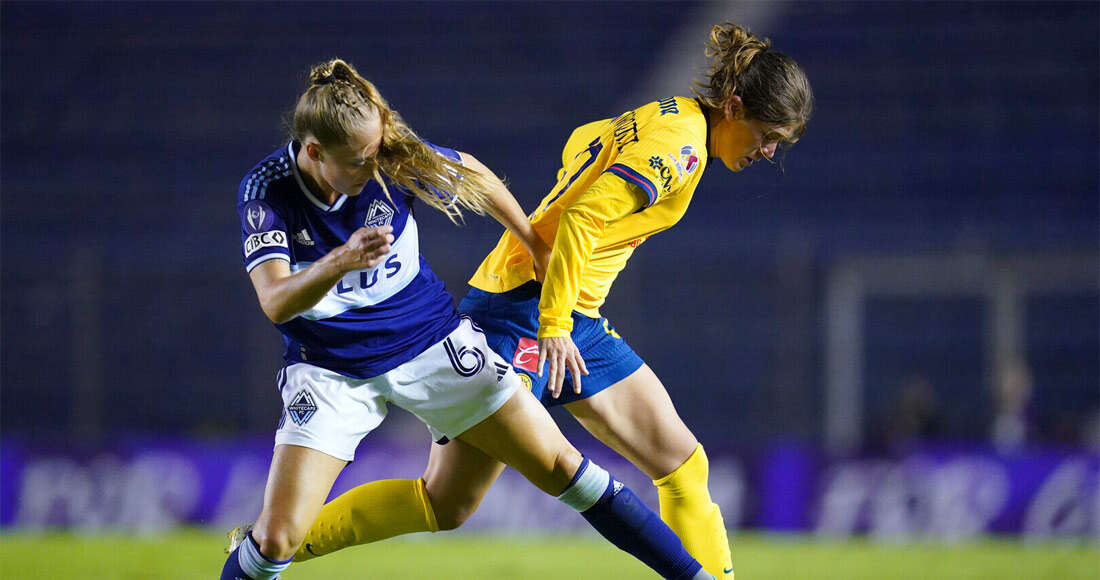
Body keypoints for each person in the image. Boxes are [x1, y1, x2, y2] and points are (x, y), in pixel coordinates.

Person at [289, 23, 813, 580]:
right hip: (524, 312)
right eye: (767, 134)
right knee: (445, 502)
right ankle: (276, 544)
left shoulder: (670, 115)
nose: (769, 150)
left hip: (569, 310)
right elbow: (587, 215)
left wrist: (566, 305)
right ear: (733, 107)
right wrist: (555, 320)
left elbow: (582, 144)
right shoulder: (679, 148)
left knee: (683, 464)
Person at [219, 58, 717, 580]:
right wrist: (342, 260)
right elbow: (276, 301)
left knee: (565, 469)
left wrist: (530, 239)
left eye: (377, 153)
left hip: (432, 344)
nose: (374, 168)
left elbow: (474, 174)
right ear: (314, 153)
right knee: (277, 539)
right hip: (330, 368)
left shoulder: (388, 155)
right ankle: (253, 549)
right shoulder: (267, 190)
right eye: (360, 161)